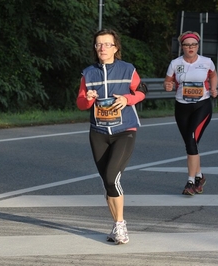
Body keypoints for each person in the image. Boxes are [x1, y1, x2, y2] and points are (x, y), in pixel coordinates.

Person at [76, 29, 146, 244]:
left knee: (110, 177)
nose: (102, 48)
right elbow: (80, 103)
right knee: (108, 182)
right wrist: (88, 98)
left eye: (107, 44)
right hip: (98, 133)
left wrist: (127, 99)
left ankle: (121, 225)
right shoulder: (88, 73)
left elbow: (142, 91)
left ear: (116, 47)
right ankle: (116, 226)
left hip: (124, 131)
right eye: (98, 44)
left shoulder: (127, 69)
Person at [163, 31, 218, 196]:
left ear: (198, 46)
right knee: (190, 143)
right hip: (182, 106)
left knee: (192, 139)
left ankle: (190, 181)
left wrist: (214, 87)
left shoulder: (207, 62)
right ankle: (200, 176)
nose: (191, 48)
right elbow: (168, 80)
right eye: (187, 45)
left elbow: (213, 76)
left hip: (202, 105)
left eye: (194, 45)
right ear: (182, 47)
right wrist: (168, 85)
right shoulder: (175, 64)